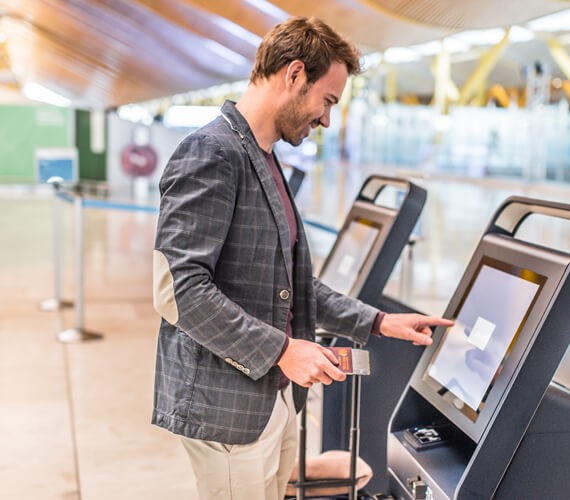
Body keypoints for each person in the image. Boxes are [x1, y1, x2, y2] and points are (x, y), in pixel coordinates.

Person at [151, 16, 452, 500]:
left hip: (271, 397)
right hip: (226, 406)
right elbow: (178, 290)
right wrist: (283, 351)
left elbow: (291, 283)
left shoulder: (264, 157)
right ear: (293, 75)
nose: (327, 119)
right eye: (327, 101)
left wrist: (379, 322)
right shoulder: (212, 151)